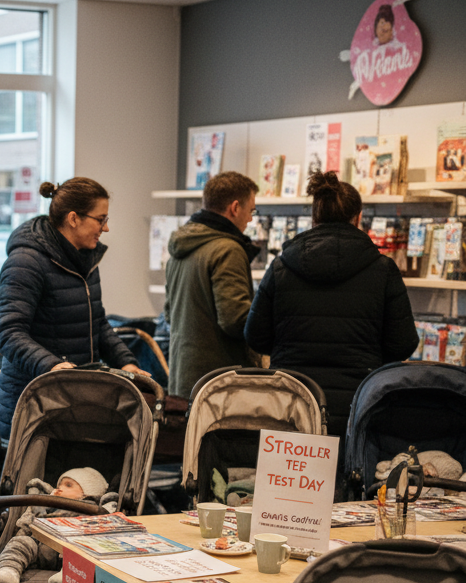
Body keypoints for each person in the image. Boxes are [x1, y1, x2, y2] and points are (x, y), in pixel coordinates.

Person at [244, 171, 418, 438]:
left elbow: (255, 336)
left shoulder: (281, 266)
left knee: (291, 465)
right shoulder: (383, 269)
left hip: (291, 402)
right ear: (358, 218)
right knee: (350, 465)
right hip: (358, 403)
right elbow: (403, 343)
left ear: (314, 218)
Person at [0, 177, 141, 439]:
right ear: (74, 218)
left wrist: (126, 363)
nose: (106, 228)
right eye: (101, 219)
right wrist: (52, 367)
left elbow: (97, 323)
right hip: (32, 409)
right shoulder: (26, 261)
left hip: (73, 403)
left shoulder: (86, 260)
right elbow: (9, 333)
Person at [162, 171, 260, 398]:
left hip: (183, 378)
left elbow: (168, 313)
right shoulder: (228, 249)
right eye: (251, 211)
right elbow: (235, 320)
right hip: (219, 385)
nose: (250, 219)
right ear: (235, 208)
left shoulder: (180, 247)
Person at [0, 468, 116, 583]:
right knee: (20, 542)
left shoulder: (94, 509)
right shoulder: (45, 506)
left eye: (68, 485)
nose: (59, 488)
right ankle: (9, 571)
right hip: (40, 547)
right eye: (59, 485)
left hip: (70, 548)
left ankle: (69, 575)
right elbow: (28, 523)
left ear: (86, 494)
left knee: (84, 548)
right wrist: (45, 502)